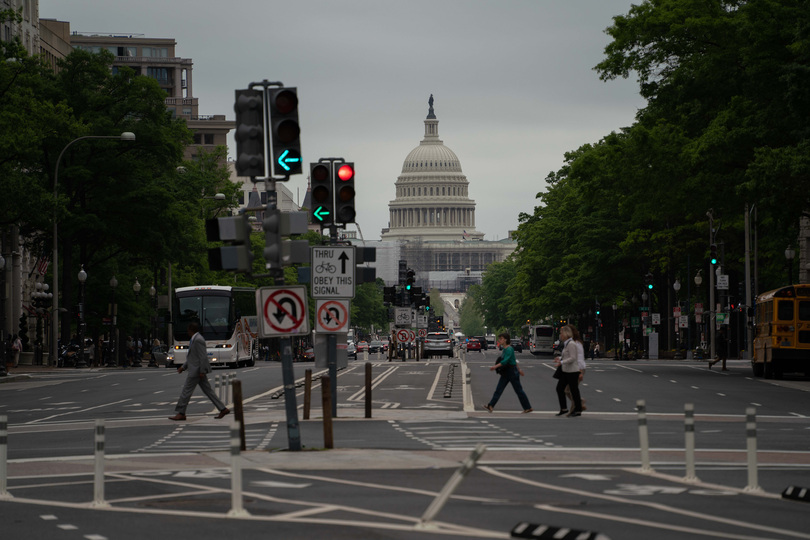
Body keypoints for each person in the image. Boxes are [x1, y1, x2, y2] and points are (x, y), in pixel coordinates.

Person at [169, 321, 230, 421]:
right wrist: (183, 367)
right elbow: (192, 357)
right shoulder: (195, 339)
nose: (187, 332)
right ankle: (222, 409)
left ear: (190, 330)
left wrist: (202, 371)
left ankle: (181, 413)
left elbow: (202, 357)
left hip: (196, 371)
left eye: (188, 330)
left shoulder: (198, 340)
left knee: (186, 392)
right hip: (197, 370)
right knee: (208, 391)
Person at [482, 332, 533, 414]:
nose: (499, 340)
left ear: (505, 340)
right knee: (499, 389)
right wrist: (519, 369)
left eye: (501, 339)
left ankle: (528, 407)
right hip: (507, 372)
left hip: (512, 371)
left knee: (518, 390)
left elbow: (506, 360)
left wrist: (495, 366)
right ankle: (490, 405)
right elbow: (514, 359)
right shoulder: (505, 349)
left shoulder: (509, 349)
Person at [554, 325, 583, 417]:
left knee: (574, 391)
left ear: (566, 334)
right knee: (560, 388)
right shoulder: (567, 344)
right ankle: (564, 408)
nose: (560, 335)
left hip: (572, 371)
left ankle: (578, 409)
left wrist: (562, 362)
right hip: (566, 371)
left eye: (561, 333)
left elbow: (573, 358)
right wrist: (559, 358)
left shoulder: (571, 344)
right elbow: (567, 356)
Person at [565, 325, 588, 415]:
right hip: (572, 369)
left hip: (577, 369)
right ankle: (576, 408)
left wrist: (580, 372)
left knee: (569, 390)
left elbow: (580, 359)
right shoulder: (570, 343)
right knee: (569, 390)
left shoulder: (576, 344)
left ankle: (577, 407)